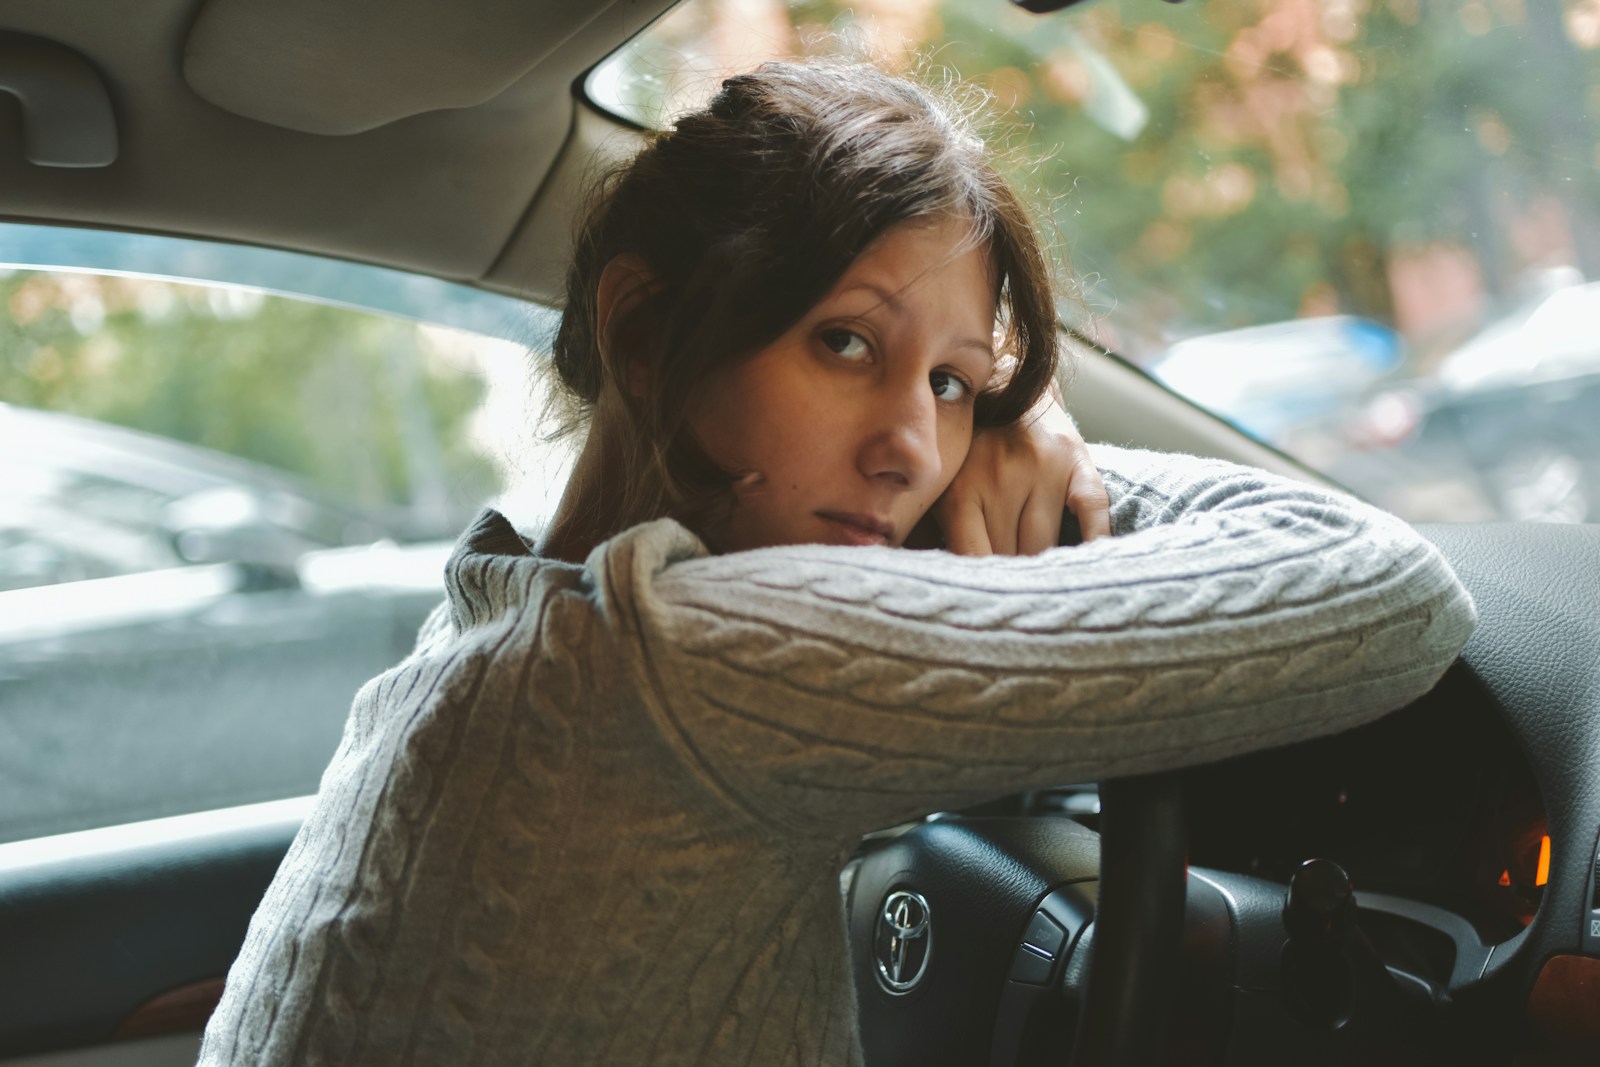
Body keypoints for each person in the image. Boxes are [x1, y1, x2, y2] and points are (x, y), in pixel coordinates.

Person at [198, 62, 1475, 1066]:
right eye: (847, 346)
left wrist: (1011, 414)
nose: (911, 450)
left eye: (956, 384)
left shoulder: (503, 614)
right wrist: (1069, 462)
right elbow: (1388, 589)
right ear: (644, 336)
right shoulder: (680, 660)